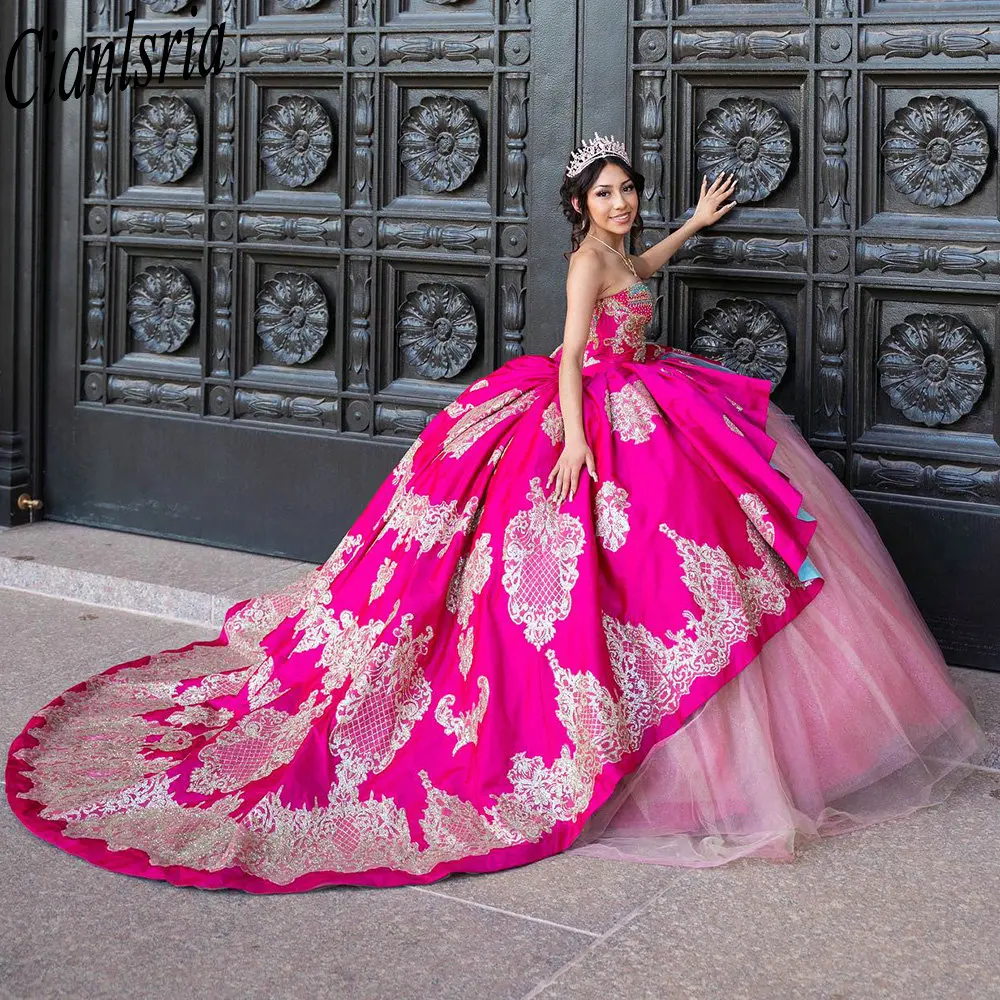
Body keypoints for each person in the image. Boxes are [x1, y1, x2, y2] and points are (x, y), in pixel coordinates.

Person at [5, 134, 986, 893]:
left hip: (651, 394)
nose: (620, 203)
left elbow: (640, 277)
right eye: (605, 194)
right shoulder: (579, 266)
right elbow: (569, 355)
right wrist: (571, 440)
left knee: (706, 549)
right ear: (578, 205)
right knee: (607, 565)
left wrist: (688, 224)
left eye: (626, 190)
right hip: (588, 405)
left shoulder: (622, 253)